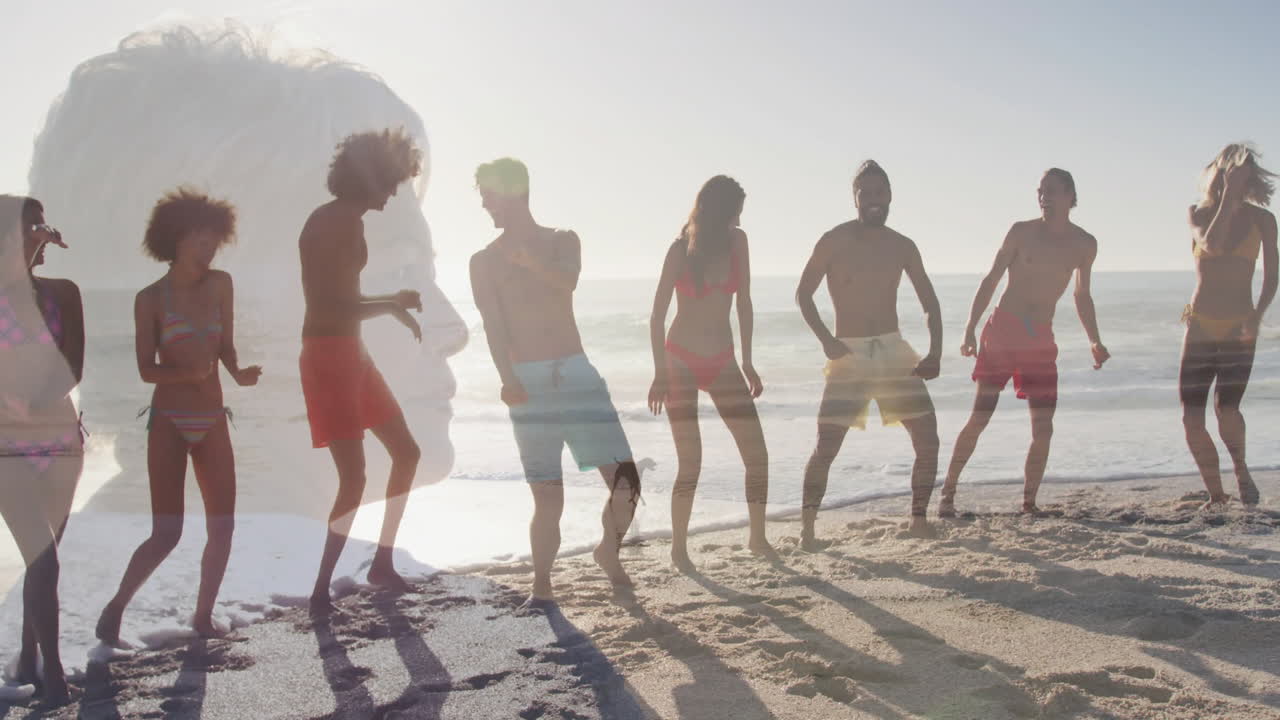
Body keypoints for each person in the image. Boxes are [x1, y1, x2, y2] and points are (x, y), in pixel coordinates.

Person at [470, 157, 641, 604]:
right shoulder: (483, 262)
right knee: (548, 495)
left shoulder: (563, 240)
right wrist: (506, 379)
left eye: (489, 196)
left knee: (627, 482)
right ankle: (541, 585)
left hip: (577, 372)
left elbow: (567, 284)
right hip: (527, 380)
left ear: (514, 192)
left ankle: (607, 551)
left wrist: (529, 262)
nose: (485, 205)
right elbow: (492, 325)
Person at [96, 188, 261, 646]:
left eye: (214, 242)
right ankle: (116, 606)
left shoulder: (221, 284)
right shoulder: (150, 298)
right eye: (200, 242)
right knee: (167, 532)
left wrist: (239, 372)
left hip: (212, 418)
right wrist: (185, 371)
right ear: (175, 239)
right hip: (168, 420)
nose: (209, 251)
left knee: (223, 527)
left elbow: (225, 345)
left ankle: (202, 617)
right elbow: (145, 368)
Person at [300, 128, 426, 614]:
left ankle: (382, 562)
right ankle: (320, 589)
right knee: (353, 478)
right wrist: (391, 304)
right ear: (368, 178)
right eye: (390, 182)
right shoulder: (331, 222)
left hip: (352, 352)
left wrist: (389, 306)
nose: (393, 193)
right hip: (328, 353)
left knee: (407, 453)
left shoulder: (349, 221)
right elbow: (330, 305)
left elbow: (344, 302)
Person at [940, 168, 1109, 517]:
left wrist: (1094, 340)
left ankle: (1029, 503)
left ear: (1070, 196)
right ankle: (948, 492)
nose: (1043, 197)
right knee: (980, 416)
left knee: (1043, 427)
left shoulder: (1085, 244)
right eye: (1040, 191)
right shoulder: (1021, 232)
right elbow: (991, 279)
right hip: (1003, 331)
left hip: (1040, 340)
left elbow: (1082, 295)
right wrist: (969, 328)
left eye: (1051, 191)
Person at [796, 161, 943, 545]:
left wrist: (935, 352)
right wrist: (826, 340)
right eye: (866, 194)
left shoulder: (902, 246)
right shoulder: (834, 240)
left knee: (928, 439)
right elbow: (803, 294)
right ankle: (807, 531)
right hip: (851, 355)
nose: (874, 201)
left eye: (880, 193)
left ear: (890, 196)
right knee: (826, 446)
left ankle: (918, 519)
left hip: (893, 351)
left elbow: (930, 302)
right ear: (855, 199)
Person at [647, 175, 772, 569]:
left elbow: (745, 301)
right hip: (680, 360)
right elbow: (656, 316)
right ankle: (679, 549)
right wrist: (659, 373)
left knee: (757, 455)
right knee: (691, 462)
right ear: (721, 212)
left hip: (723, 360)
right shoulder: (680, 251)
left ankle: (757, 538)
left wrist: (748, 359)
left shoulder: (739, 243)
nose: (738, 220)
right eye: (735, 212)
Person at [0, 195, 82, 704]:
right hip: (4, 448)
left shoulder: (63, 292)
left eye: (43, 223)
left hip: (62, 442)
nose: (44, 230)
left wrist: (33, 400)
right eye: (32, 225)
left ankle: (28, 654)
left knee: (43, 563)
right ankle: (53, 673)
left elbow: (75, 365)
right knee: (44, 559)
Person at [1180, 143, 1277, 507]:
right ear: (1217, 173)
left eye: (1241, 173)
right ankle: (1216, 495)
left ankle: (1240, 468)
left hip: (1239, 326)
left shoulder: (1263, 220)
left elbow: (1272, 275)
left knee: (1228, 409)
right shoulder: (1198, 214)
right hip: (1200, 325)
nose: (1233, 178)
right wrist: (1228, 200)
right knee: (1191, 417)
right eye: (1229, 172)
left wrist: (1258, 314)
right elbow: (1213, 245)